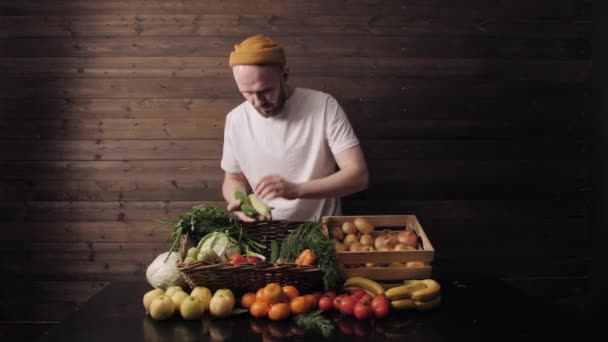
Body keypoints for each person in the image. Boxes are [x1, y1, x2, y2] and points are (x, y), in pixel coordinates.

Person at [221, 34, 369, 222]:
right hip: (264, 232)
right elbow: (233, 178)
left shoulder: (323, 106)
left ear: (285, 76)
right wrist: (240, 202)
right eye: (247, 93)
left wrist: (297, 190)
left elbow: (358, 175)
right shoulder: (235, 119)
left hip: (322, 231)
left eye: (265, 91)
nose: (257, 102)